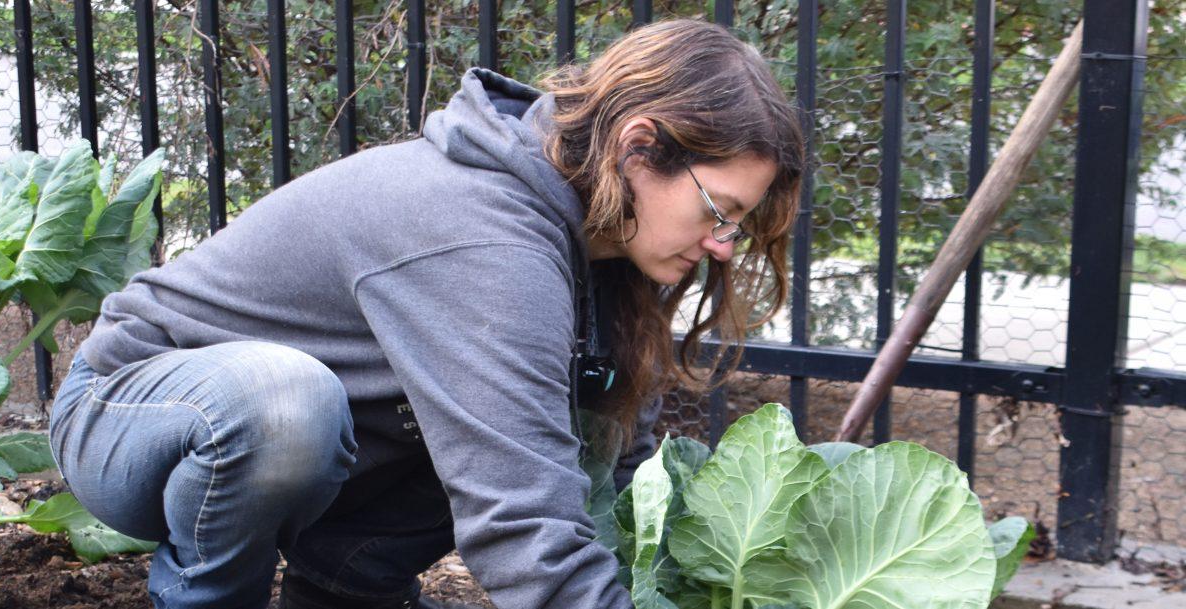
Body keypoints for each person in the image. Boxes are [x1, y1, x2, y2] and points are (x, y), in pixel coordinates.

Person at [48, 17, 804, 609]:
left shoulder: (604, 253)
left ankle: (347, 588)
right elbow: (521, 519)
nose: (723, 246)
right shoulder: (481, 235)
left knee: (563, 427)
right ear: (640, 148)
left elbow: (612, 481)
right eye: (719, 209)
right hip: (132, 411)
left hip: (311, 448)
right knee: (282, 403)